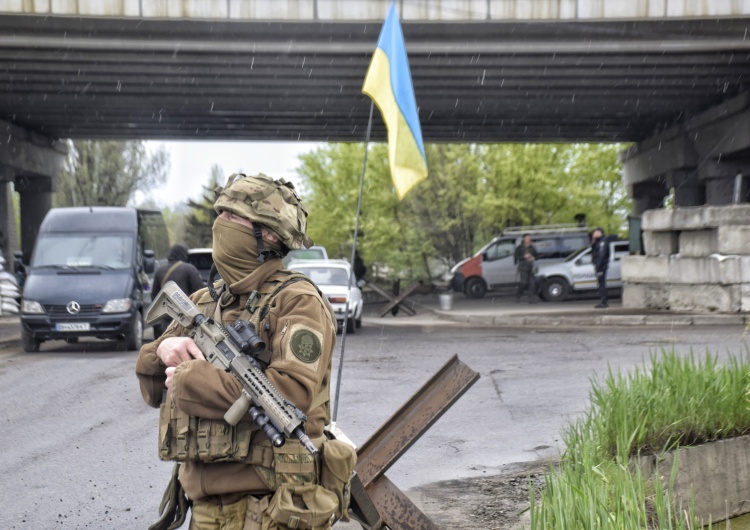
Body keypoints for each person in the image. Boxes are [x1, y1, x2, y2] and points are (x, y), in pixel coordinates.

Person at [135, 174, 338, 530]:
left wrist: (191, 380)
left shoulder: (298, 301)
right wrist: (166, 349)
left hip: (273, 506)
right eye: (221, 215)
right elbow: (151, 387)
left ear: (269, 235)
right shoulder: (205, 301)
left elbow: (289, 394)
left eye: (233, 218)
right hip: (203, 507)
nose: (220, 225)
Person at [150, 244, 205, 338]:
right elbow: (200, 292)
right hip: (184, 318)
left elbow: (154, 295)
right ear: (183, 254)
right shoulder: (189, 268)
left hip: (165, 318)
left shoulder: (160, 270)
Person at [514, 234, 538, 303]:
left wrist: (534, 258)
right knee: (523, 282)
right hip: (523, 267)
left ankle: (531, 298)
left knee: (532, 283)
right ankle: (518, 295)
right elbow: (516, 257)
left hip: (531, 267)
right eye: (527, 238)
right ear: (524, 239)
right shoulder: (520, 248)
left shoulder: (532, 247)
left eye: (529, 238)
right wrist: (523, 256)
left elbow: (536, 255)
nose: (529, 239)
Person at [591, 227, 611, 308]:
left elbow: (601, 255)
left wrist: (599, 267)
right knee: (601, 284)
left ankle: (604, 302)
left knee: (601, 284)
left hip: (601, 266)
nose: (593, 234)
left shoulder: (602, 242)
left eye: (595, 232)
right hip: (600, 266)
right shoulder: (598, 241)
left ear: (600, 233)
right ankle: (603, 301)